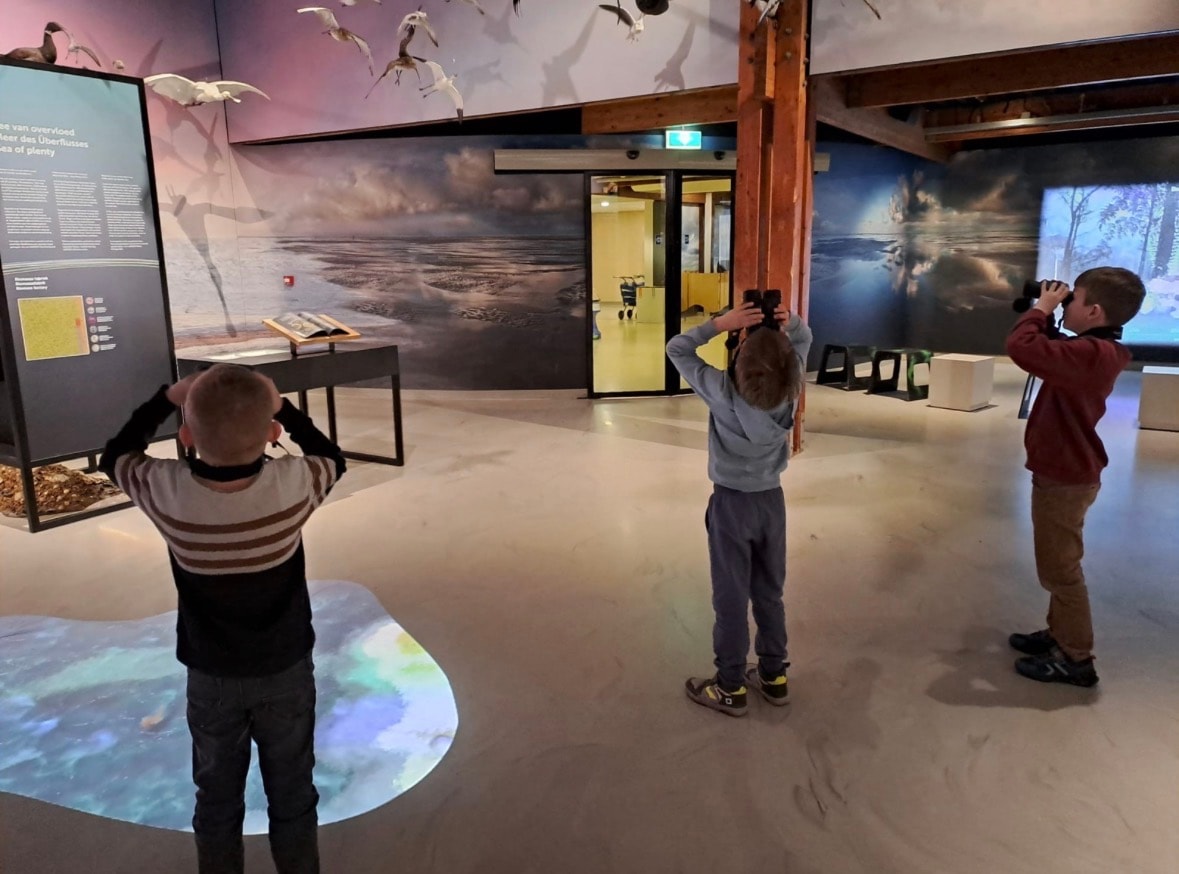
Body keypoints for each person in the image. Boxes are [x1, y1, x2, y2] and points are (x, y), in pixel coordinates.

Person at [98, 364, 346, 873]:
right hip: (285, 668)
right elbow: (331, 457)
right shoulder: (295, 484)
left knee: (215, 796)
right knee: (294, 792)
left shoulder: (166, 493)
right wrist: (283, 405)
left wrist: (168, 396)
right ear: (272, 433)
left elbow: (116, 454)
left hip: (210, 674)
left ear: (186, 438)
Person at [667, 299, 813, 716]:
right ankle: (773, 676)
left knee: (730, 598)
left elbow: (677, 348)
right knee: (769, 593)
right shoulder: (791, 388)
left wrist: (720, 324)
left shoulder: (721, 390)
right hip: (771, 503)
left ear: (739, 361)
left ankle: (730, 686)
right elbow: (803, 338)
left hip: (731, 503)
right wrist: (789, 321)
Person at [1005, 267, 1145, 687]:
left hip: (1065, 477)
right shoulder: (1096, 350)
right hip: (1066, 472)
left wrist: (1041, 309)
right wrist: (1048, 315)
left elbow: (1021, 347)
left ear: (1094, 311)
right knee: (1057, 562)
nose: (1066, 304)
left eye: (1074, 299)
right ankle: (1059, 632)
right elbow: (1051, 347)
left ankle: (1075, 658)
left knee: (1060, 570)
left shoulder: (1089, 354)